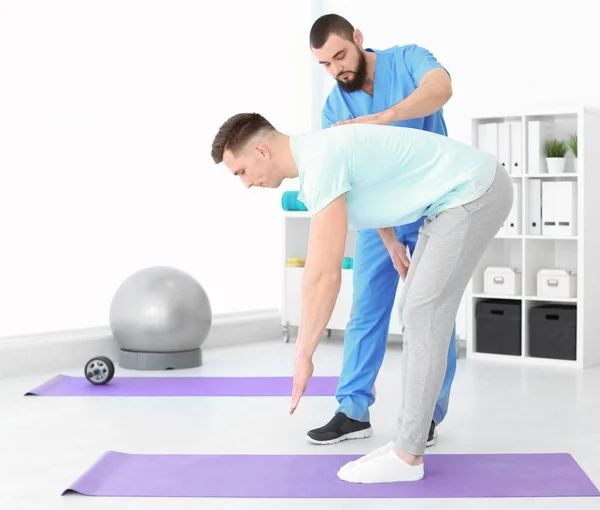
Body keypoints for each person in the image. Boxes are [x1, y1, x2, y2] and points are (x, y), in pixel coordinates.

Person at [210, 113, 513, 483]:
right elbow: (375, 182)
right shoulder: (319, 156)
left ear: (260, 150)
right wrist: (389, 240)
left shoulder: (320, 162)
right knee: (415, 310)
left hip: (474, 191)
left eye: (241, 171)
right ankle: (407, 441)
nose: (245, 183)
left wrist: (304, 355)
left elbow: (323, 274)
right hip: (453, 200)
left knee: (423, 312)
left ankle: (408, 456)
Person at [305, 13, 456, 446]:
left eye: (340, 56)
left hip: (435, 211)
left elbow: (440, 89)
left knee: (429, 315)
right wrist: (389, 241)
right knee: (366, 311)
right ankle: (352, 410)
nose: (337, 70)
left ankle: (425, 412)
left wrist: (384, 118)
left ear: (358, 38)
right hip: (380, 218)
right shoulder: (335, 106)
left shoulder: (408, 60)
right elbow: (357, 178)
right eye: (326, 65)